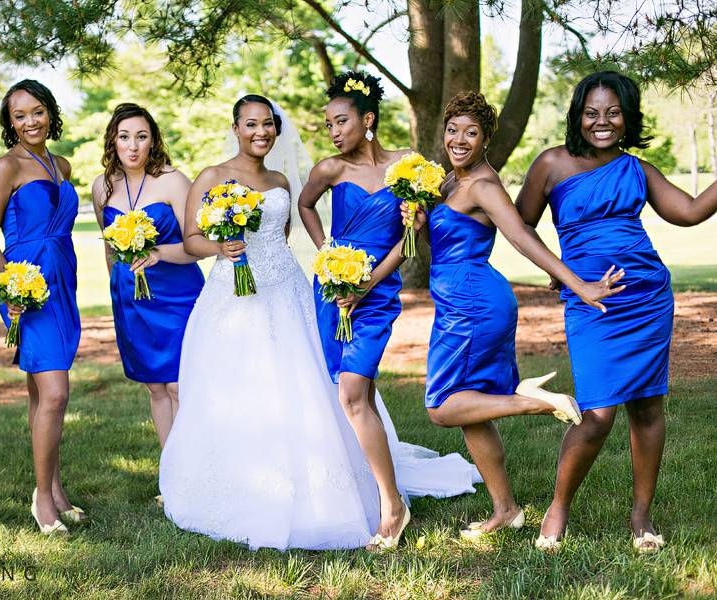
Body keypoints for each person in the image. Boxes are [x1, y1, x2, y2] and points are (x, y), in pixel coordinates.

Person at [159, 94, 480, 552]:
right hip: (233, 297)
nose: (261, 132)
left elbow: (283, 233)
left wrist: (336, 253)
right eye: (250, 124)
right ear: (235, 127)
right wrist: (221, 249)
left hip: (287, 289)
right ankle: (249, 481)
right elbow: (192, 239)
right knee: (237, 389)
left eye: (267, 124)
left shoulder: (280, 180)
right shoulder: (212, 176)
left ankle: (356, 486)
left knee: (311, 383)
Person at [401, 91, 624, 539]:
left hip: (472, 305)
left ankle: (537, 404)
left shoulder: (483, 185)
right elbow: (442, 249)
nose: (459, 139)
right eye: (453, 130)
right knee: (472, 410)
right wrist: (420, 229)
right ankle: (505, 509)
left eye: (471, 132)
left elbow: (522, 237)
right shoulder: (448, 182)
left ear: (486, 139)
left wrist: (576, 282)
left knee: (443, 408)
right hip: (461, 298)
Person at [515, 71, 717, 553]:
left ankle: (641, 516)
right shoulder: (551, 164)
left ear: (627, 118)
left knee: (648, 406)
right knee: (599, 413)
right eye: (591, 113)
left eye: (612, 112)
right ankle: (558, 506)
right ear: (576, 116)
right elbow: (520, 223)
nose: (601, 122)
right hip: (592, 301)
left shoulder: (636, 170)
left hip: (646, 296)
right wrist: (564, 274)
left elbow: (687, 212)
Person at [297, 71, 410, 550]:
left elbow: (408, 243)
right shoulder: (329, 170)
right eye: (328, 124)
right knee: (353, 391)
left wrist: (367, 284)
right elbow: (305, 206)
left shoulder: (405, 167)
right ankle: (376, 486)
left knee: (352, 393)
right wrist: (328, 256)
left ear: (368, 120)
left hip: (376, 293)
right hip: (334, 290)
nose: (333, 131)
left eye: (340, 121)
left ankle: (391, 505)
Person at [0, 80, 84, 534]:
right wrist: (12, 286)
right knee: (57, 391)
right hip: (28, 288)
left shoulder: (61, 164)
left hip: (63, 280)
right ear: (10, 124)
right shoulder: (6, 167)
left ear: (50, 112)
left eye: (36, 111)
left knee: (43, 393)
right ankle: (42, 499)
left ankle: (56, 489)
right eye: (19, 116)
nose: (29, 122)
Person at [91, 103, 204, 449]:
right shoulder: (102, 187)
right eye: (125, 137)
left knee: (180, 386)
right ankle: (170, 474)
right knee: (156, 387)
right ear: (113, 141)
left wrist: (157, 253)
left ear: (153, 140)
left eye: (141, 137)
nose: (133, 145)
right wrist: (118, 283)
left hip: (178, 295)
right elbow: (109, 247)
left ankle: (196, 470)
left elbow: (197, 245)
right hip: (132, 299)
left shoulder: (173, 181)